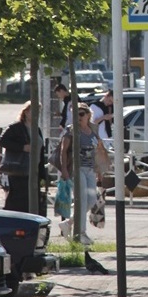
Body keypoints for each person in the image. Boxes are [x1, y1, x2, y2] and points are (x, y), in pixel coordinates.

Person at [60, 105, 100, 245]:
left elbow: (97, 150)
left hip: (90, 169)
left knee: (92, 200)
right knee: (81, 200)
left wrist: (99, 170)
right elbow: (64, 150)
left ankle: (69, 222)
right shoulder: (71, 130)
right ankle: (81, 233)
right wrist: (64, 169)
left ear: (88, 115)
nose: (79, 117)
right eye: (75, 114)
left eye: (82, 114)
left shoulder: (93, 129)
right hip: (78, 169)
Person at [0, 101, 48, 214]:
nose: (36, 114)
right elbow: (3, 141)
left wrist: (43, 175)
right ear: (26, 112)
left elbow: (40, 152)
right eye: (33, 111)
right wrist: (22, 147)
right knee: (17, 200)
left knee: (32, 199)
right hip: (19, 169)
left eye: (39, 112)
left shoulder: (37, 129)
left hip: (34, 170)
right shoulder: (16, 127)